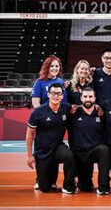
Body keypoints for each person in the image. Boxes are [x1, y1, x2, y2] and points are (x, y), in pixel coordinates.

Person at [26, 83, 76, 194]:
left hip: (58, 148)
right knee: (45, 188)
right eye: (53, 93)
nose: (56, 96)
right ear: (48, 94)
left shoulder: (66, 108)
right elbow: (29, 134)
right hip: (42, 151)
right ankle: (45, 176)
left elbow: (78, 107)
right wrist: (29, 156)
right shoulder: (38, 112)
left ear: (62, 96)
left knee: (69, 155)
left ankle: (68, 185)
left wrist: (96, 106)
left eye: (58, 94)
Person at [30, 55, 67, 190]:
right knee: (43, 148)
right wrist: (42, 117)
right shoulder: (40, 82)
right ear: (47, 67)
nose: (54, 68)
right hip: (44, 121)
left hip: (58, 122)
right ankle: (39, 178)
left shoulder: (61, 82)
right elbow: (35, 102)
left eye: (57, 66)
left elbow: (64, 102)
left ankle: (52, 180)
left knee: (56, 147)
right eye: (52, 66)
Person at [68, 87, 110, 195]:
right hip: (79, 152)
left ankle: (103, 187)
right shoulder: (73, 113)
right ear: (81, 98)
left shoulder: (100, 113)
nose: (88, 99)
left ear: (94, 98)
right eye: (85, 96)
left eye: (90, 97)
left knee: (104, 150)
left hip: (94, 151)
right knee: (85, 187)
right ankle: (78, 181)